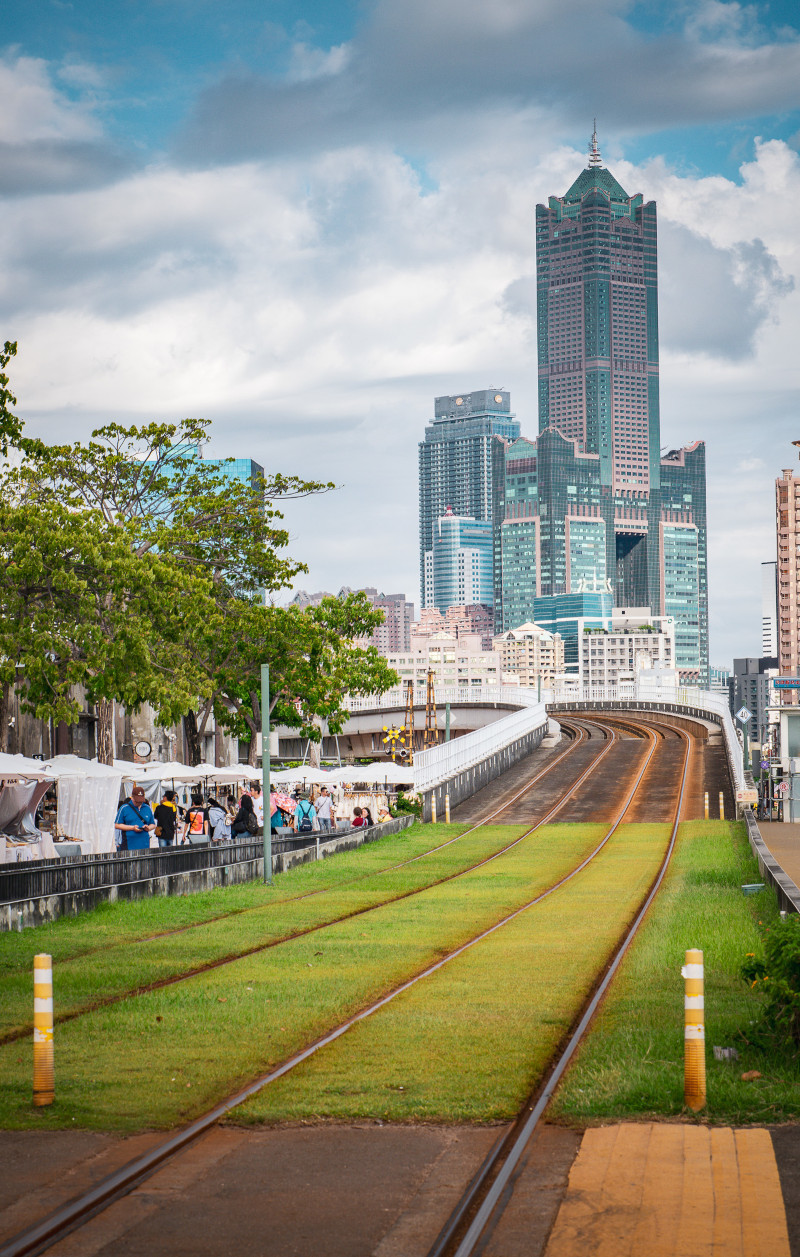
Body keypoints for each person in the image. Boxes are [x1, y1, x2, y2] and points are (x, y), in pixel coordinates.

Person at [115, 786, 156, 852]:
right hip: (128, 844)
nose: (139, 803)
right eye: (137, 801)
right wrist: (132, 828)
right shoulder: (124, 808)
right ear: (132, 798)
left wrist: (148, 828)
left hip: (144, 844)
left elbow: (153, 824)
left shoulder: (147, 808)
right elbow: (117, 825)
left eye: (141, 801)